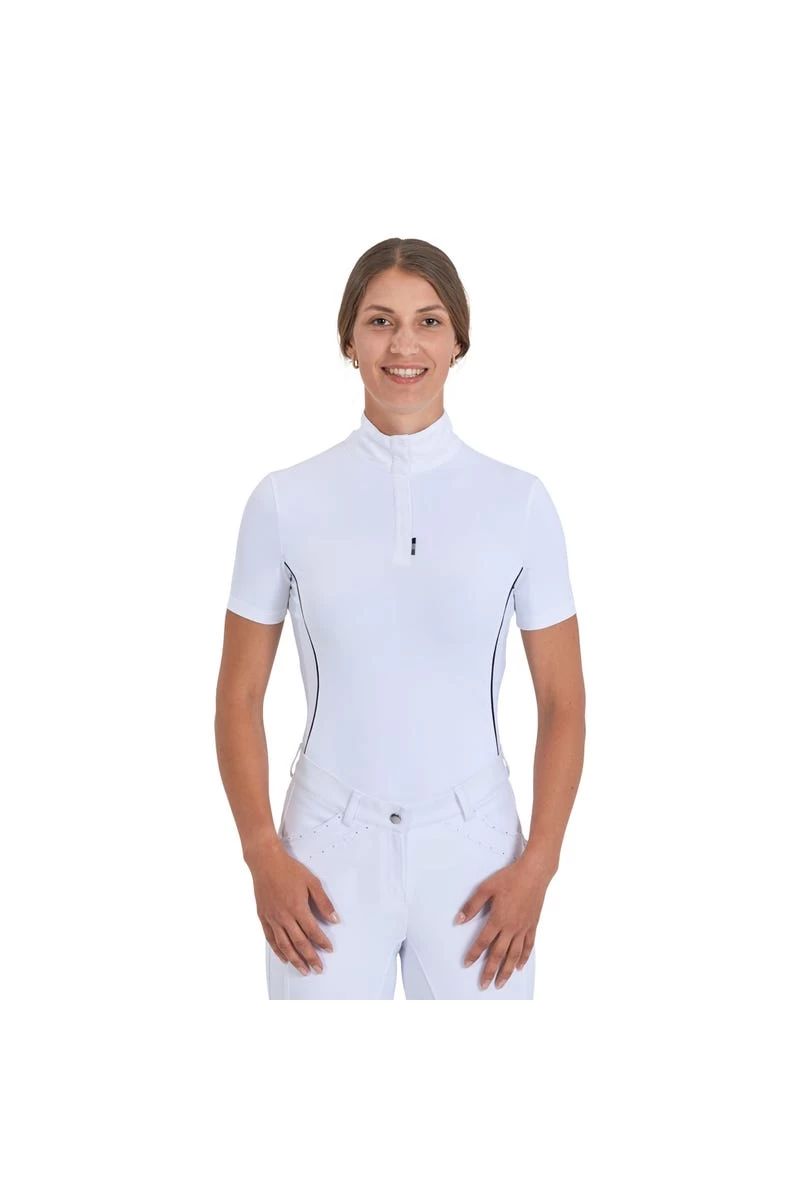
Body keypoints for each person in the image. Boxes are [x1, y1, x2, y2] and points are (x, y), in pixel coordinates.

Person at [215, 237, 586, 1000]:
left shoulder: (519, 503)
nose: (404, 345)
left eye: (429, 321)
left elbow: (563, 701)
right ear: (349, 340)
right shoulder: (283, 501)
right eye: (380, 321)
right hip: (324, 852)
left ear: (459, 342)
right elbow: (237, 697)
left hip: (477, 850)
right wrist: (261, 855)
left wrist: (539, 866)